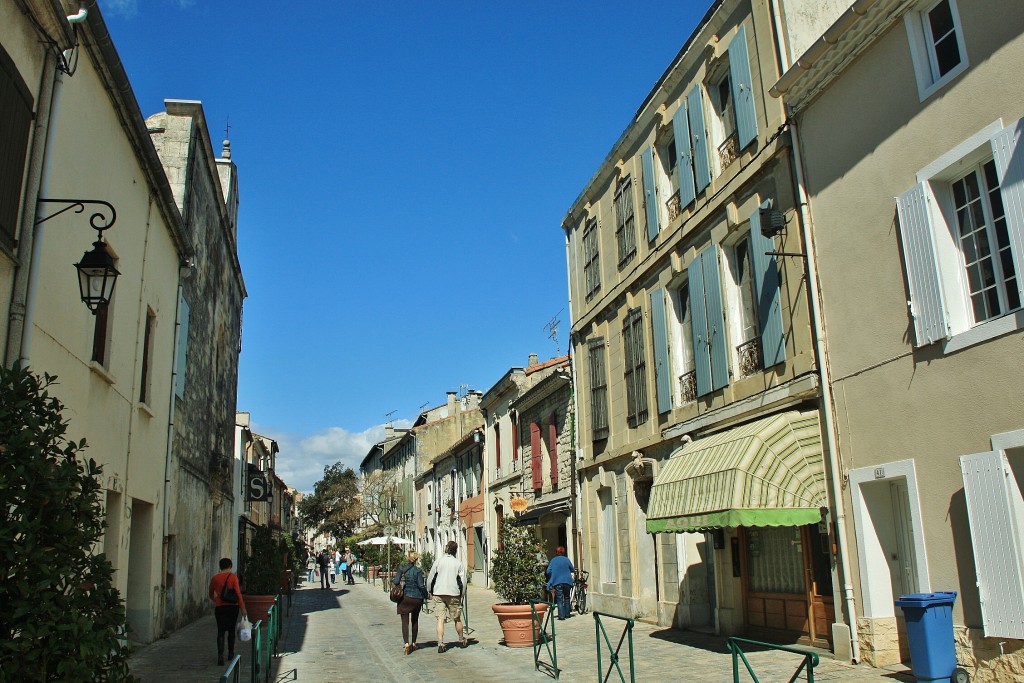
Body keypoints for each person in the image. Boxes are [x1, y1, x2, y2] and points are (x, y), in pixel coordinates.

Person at [426, 540, 467, 653]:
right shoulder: (458, 563)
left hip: (439, 592)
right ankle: (460, 639)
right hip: (454, 593)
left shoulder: (438, 562)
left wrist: (429, 590)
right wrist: (462, 594)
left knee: (440, 619)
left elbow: (430, 578)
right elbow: (463, 581)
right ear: (455, 550)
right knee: (457, 618)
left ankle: (440, 642)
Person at [209, 558, 247, 666]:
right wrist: (242, 607)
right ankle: (230, 653)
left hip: (220, 607)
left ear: (220, 566)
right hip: (233, 607)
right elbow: (238, 594)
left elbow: (211, 592)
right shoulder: (233, 577)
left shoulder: (215, 578)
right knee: (231, 630)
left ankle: (220, 655)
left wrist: (216, 600)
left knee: (220, 631)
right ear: (230, 566)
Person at [393, 550, 428, 655]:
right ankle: (413, 642)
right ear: (416, 559)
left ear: (408, 558)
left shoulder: (401, 568)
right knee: (415, 620)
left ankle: (406, 644)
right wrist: (426, 595)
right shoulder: (418, 570)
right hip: (417, 598)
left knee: (405, 622)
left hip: (405, 598)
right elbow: (421, 585)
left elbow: (396, 582)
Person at [545, 546, 575, 620]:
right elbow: (572, 569)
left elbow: (548, 571)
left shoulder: (553, 560)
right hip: (567, 581)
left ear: (556, 552)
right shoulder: (566, 560)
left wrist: (554, 572)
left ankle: (561, 616)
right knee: (567, 597)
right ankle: (567, 614)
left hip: (557, 581)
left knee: (559, 599)